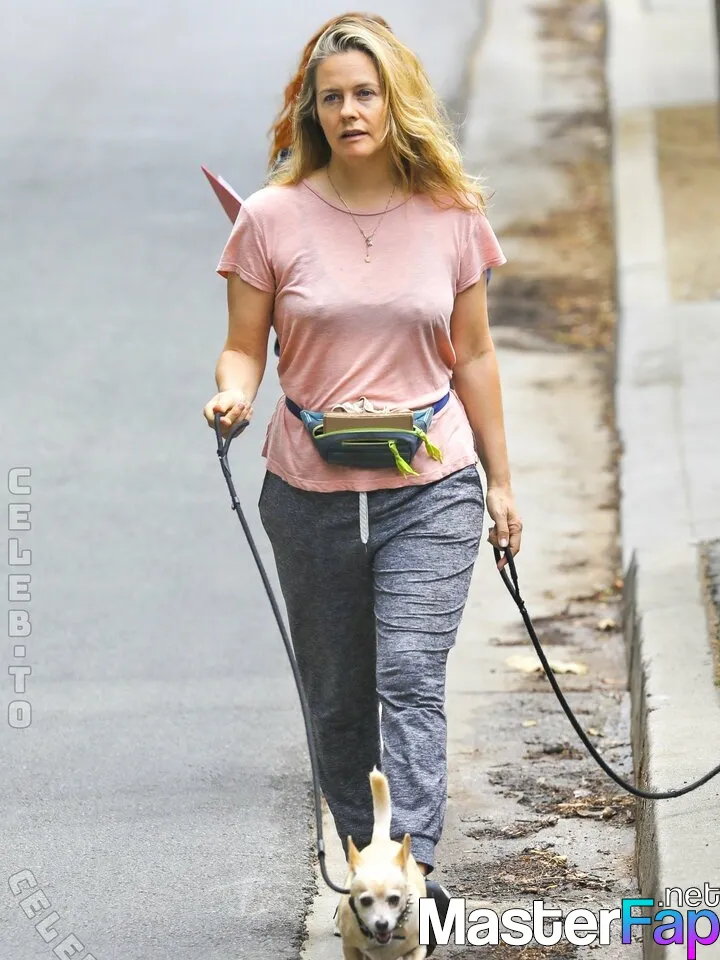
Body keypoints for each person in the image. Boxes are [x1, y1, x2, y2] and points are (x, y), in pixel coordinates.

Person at [203, 10, 522, 943]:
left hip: (433, 485)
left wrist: (502, 483)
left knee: (411, 675)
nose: (350, 111)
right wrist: (232, 396)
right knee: (339, 696)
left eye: (366, 94)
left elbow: (475, 354)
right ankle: (362, 864)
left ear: (396, 102)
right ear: (313, 111)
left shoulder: (452, 215)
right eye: (333, 97)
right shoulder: (271, 219)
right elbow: (243, 347)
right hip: (309, 492)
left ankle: (410, 872)